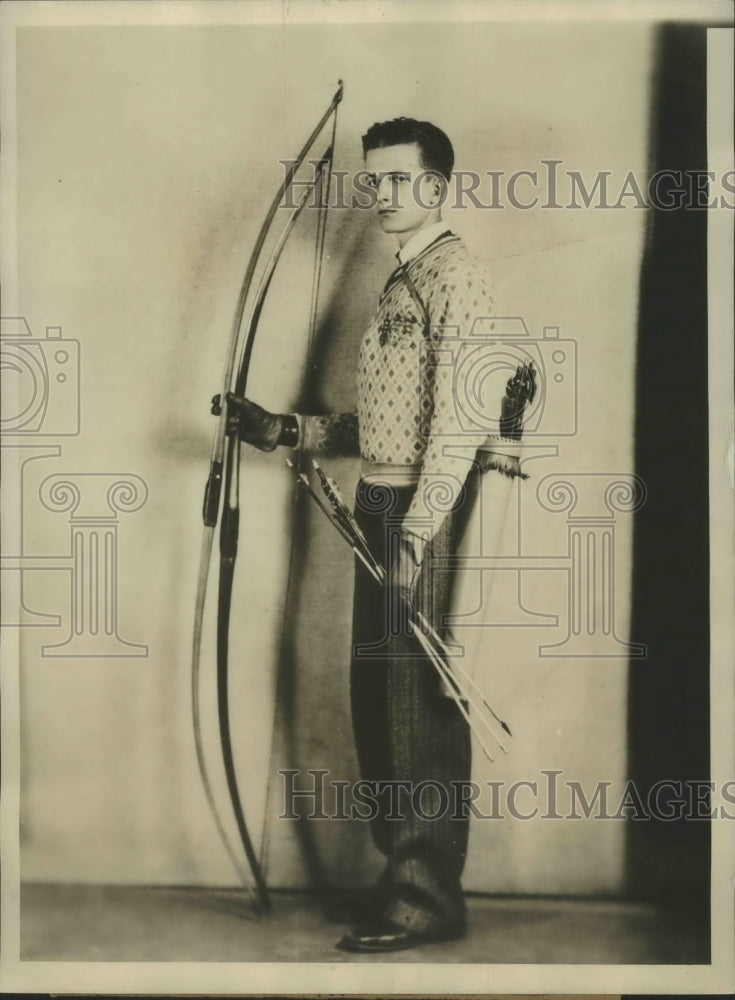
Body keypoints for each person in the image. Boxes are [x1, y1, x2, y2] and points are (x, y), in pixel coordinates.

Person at [227, 117, 524, 952]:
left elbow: (459, 425)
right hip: (381, 507)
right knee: (379, 702)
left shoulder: (455, 275)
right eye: (374, 180)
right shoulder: (401, 279)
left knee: (417, 706)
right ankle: (403, 880)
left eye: (397, 180)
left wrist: (417, 532)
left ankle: (426, 897)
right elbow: (385, 422)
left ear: (435, 186)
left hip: (425, 514)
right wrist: (284, 430)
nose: (380, 194)